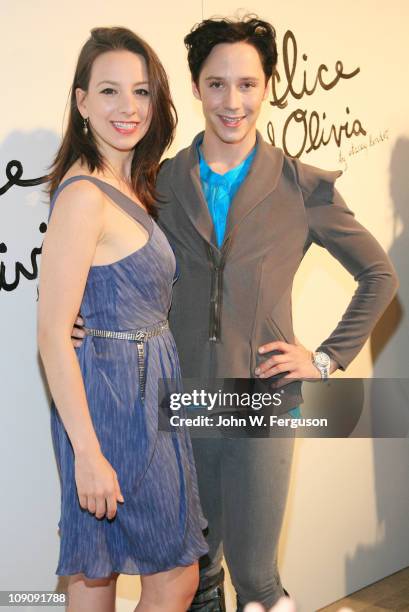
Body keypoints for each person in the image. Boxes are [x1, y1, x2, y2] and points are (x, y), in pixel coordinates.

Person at [71, 16, 398, 611]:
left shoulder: (301, 186)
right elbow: (122, 266)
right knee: (194, 572)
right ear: (195, 88)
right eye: (217, 84)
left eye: (247, 84)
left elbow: (380, 275)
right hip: (177, 401)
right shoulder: (157, 181)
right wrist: (83, 320)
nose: (232, 101)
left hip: (262, 403)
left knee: (257, 578)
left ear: (268, 86)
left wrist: (323, 360)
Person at [38, 27, 208, 612]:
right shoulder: (85, 195)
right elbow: (51, 335)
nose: (127, 108)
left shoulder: (130, 184)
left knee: (101, 574)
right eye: (109, 91)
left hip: (145, 389)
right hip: (111, 402)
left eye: (140, 91)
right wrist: (87, 453)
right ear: (81, 101)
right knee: (140, 575)